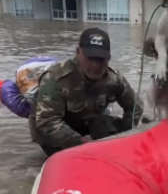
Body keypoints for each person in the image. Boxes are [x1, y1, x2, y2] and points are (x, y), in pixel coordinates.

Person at [29, 27, 143, 157]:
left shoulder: (114, 79)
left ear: (109, 58)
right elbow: (46, 120)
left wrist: (125, 133)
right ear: (78, 52)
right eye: (90, 58)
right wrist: (80, 142)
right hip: (56, 134)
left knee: (107, 129)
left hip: (87, 123)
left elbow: (136, 106)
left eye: (101, 59)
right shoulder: (56, 79)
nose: (95, 65)